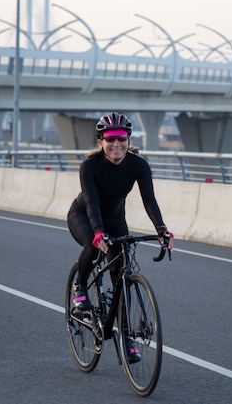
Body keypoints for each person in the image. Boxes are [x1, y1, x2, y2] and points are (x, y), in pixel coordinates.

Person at [67, 112, 173, 361]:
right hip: (83, 215)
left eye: (121, 138)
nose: (117, 144)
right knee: (93, 250)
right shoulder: (89, 167)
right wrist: (97, 232)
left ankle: (126, 340)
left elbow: (149, 201)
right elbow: (92, 203)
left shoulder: (139, 165)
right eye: (110, 138)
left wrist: (162, 230)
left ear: (128, 139)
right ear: (101, 141)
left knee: (121, 281)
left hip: (115, 221)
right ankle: (80, 285)